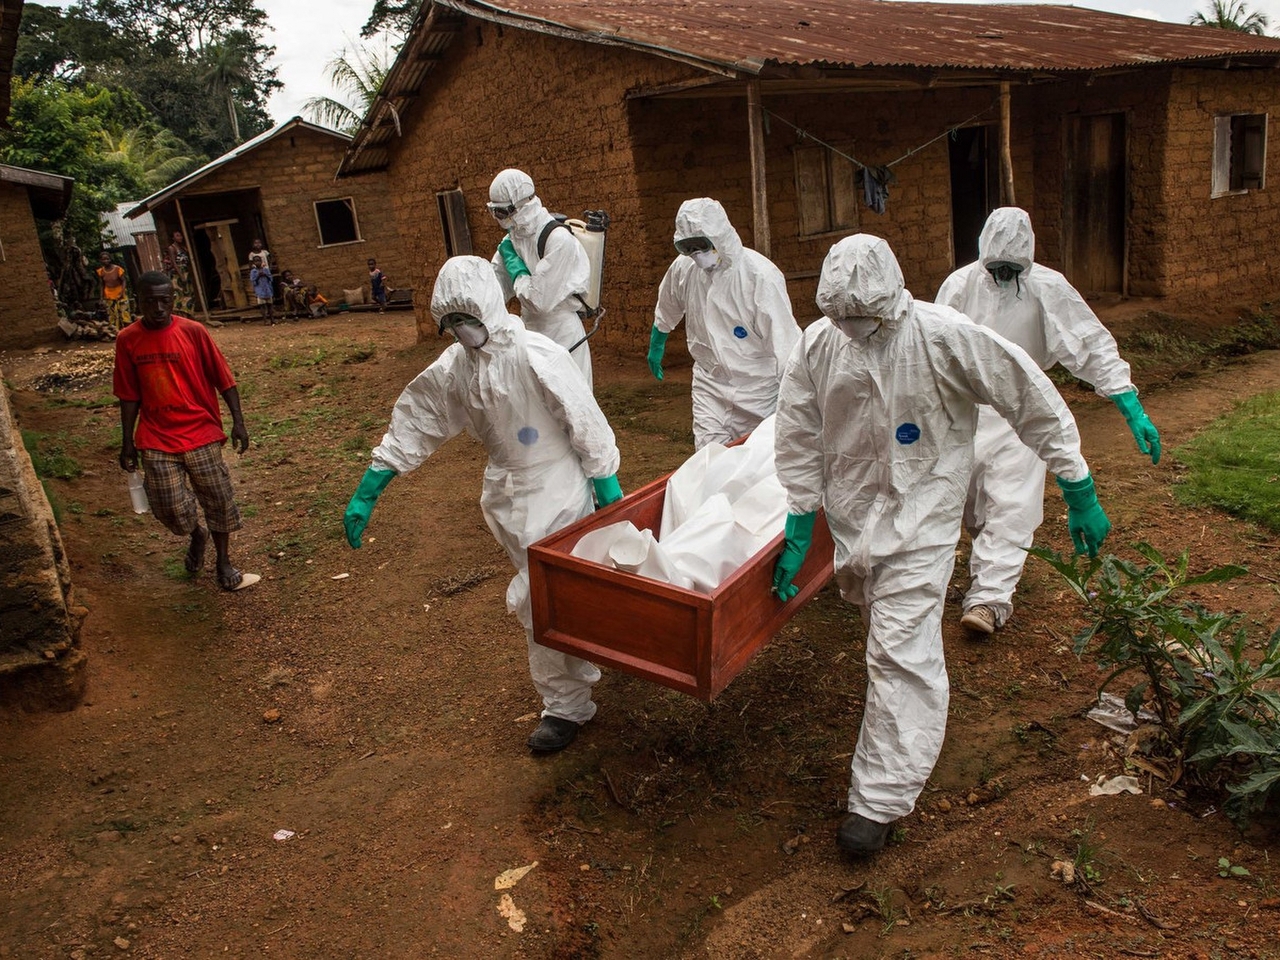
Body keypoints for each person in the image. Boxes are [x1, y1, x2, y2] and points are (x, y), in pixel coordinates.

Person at [770, 235, 1110, 856]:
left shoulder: (942, 336)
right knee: (885, 627)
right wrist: (800, 520)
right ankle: (894, 750)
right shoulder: (821, 344)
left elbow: (1027, 394)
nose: (853, 329)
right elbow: (797, 428)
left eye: (862, 317)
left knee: (900, 650)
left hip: (923, 516)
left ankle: (878, 800)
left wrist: (1076, 482)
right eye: (840, 318)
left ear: (893, 300)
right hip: (856, 521)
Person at [343, 256, 622, 753]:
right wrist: (370, 487)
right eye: (451, 323)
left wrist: (606, 485)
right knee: (554, 594)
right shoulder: (456, 368)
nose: (461, 331)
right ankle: (581, 666)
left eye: (468, 319)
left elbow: (584, 419)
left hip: (556, 481)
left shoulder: (537, 354)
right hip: (506, 489)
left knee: (543, 595)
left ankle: (565, 705)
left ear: (491, 309)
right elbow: (418, 420)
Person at [935, 207, 1160, 637]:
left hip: (1023, 408)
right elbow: (936, 340)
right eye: (995, 268)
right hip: (962, 407)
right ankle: (931, 579)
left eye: (1010, 269)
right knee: (950, 494)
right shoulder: (959, 285)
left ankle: (989, 598)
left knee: (1012, 502)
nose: (1002, 275)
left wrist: (1129, 403)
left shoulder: (1048, 288)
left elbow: (1089, 344)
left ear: (1026, 260)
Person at [113, 270, 258, 593]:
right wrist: (127, 442)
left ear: (173, 300)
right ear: (140, 302)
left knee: (218, 500)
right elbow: (128, 394)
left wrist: (238, 420)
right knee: (167, 505)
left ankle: (223, 561)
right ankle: (196, 534)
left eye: (165, 300)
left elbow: (224, 378)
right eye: (151, 302)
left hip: (200, 431)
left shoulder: (193, 332)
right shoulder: (128, 339)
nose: (159, 308)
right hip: (156, 436)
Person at [648, 198, 801, 449]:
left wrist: (795, 401)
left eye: (701, 245)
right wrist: (658, 340)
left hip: (759, 389)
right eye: (688, 248)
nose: (696, 255)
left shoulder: (759, 277)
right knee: (708, 456)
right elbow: (668, 303)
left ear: (718, 236)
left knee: (760, 461)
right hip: (710, 384)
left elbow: (786, 345)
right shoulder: (684, 270)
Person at [488, 168, 594, 387]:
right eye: (495, 212)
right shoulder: (513, 239)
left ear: (521, 205)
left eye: (502, 212)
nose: (500, 219)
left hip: (562, 333)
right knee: (537, 410)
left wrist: (517, 270)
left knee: (572, 409)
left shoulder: (558, 240)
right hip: (530, 333)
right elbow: (495, 286)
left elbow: (540, 301)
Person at [97, 250, 132, 331]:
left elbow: (123, 281)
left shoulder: (118, 269)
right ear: (100, 260)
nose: (106, 261)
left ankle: (128, 331)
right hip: (108, 294)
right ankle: (116, 332)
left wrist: (122, 292)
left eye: (107, 259)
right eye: (103, 259)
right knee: (112, 315)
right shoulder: (101, 271)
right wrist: (101, 298)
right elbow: (101, 284)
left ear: (110, 259)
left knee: (124, 313)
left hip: (120, 292)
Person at [166, 230, 194, 314]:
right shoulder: (172, 248)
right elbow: (174, 263)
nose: (180, 237)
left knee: (189, 293)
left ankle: (188, 313)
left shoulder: (184, 247)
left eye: (180, 235)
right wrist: (181, 276)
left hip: (185, 271)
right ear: (173, 238)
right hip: (178, 273)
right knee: (179, 294)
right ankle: (180, 314)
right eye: (177, 236)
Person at [250, 256, 275, 325]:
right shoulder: (253, 271)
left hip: (268, 290)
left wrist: (265, 275)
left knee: (270, 305)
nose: (258, 262)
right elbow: (253, 281)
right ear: (254, 263)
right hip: (260, 291)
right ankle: (265, 320)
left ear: (261, 261)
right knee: (262, 306)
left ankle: (272, 319)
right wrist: (258, 276)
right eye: (256, 261)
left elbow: (271, 278)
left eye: (259, 261)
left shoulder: (266, 270)